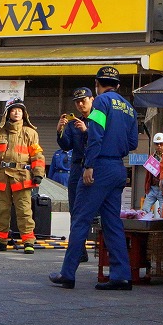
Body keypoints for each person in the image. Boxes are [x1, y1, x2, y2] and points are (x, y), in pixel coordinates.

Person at [49, 66, 138, 291]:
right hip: (118, 168)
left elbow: (95, 135)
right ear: (118, 85)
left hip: (98, 166)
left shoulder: (100, 102)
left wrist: (89, 166)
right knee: (112, 223)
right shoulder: (129, 108)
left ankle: (67, 274)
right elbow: (132, 143)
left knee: (80, 219)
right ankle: (121, 275)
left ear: (97, 84)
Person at [0, 98, 45, 254]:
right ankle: (0, 241)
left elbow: (37, 155)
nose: (17, 112)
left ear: (24, 114)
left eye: (20, 110)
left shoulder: (30, 133)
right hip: (1, 176)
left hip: (22, 177)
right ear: (7, 113)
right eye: (14, 110)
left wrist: (38, 174)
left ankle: (28, 241)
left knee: (24, 210)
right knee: (1, 210)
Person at [55, 86, 93, 263]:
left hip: (94, 167)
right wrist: (60, 130)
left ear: (91, 100)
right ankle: (79, 249)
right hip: (77, 168)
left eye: (83, 100)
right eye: (77, 102)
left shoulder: (98, 119)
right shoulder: (73, 123)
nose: (79, 104)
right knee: (75, 210)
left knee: (95, 210)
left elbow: (102, 141)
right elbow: (66, 145)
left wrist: (87, 131)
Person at [140, 132, 163, 215]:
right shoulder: (151, 157)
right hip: (153, 188)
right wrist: (147, 188)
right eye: (157, 144)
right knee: (144, 210)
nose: (159, 146)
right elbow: (148, 175)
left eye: (161, 144)